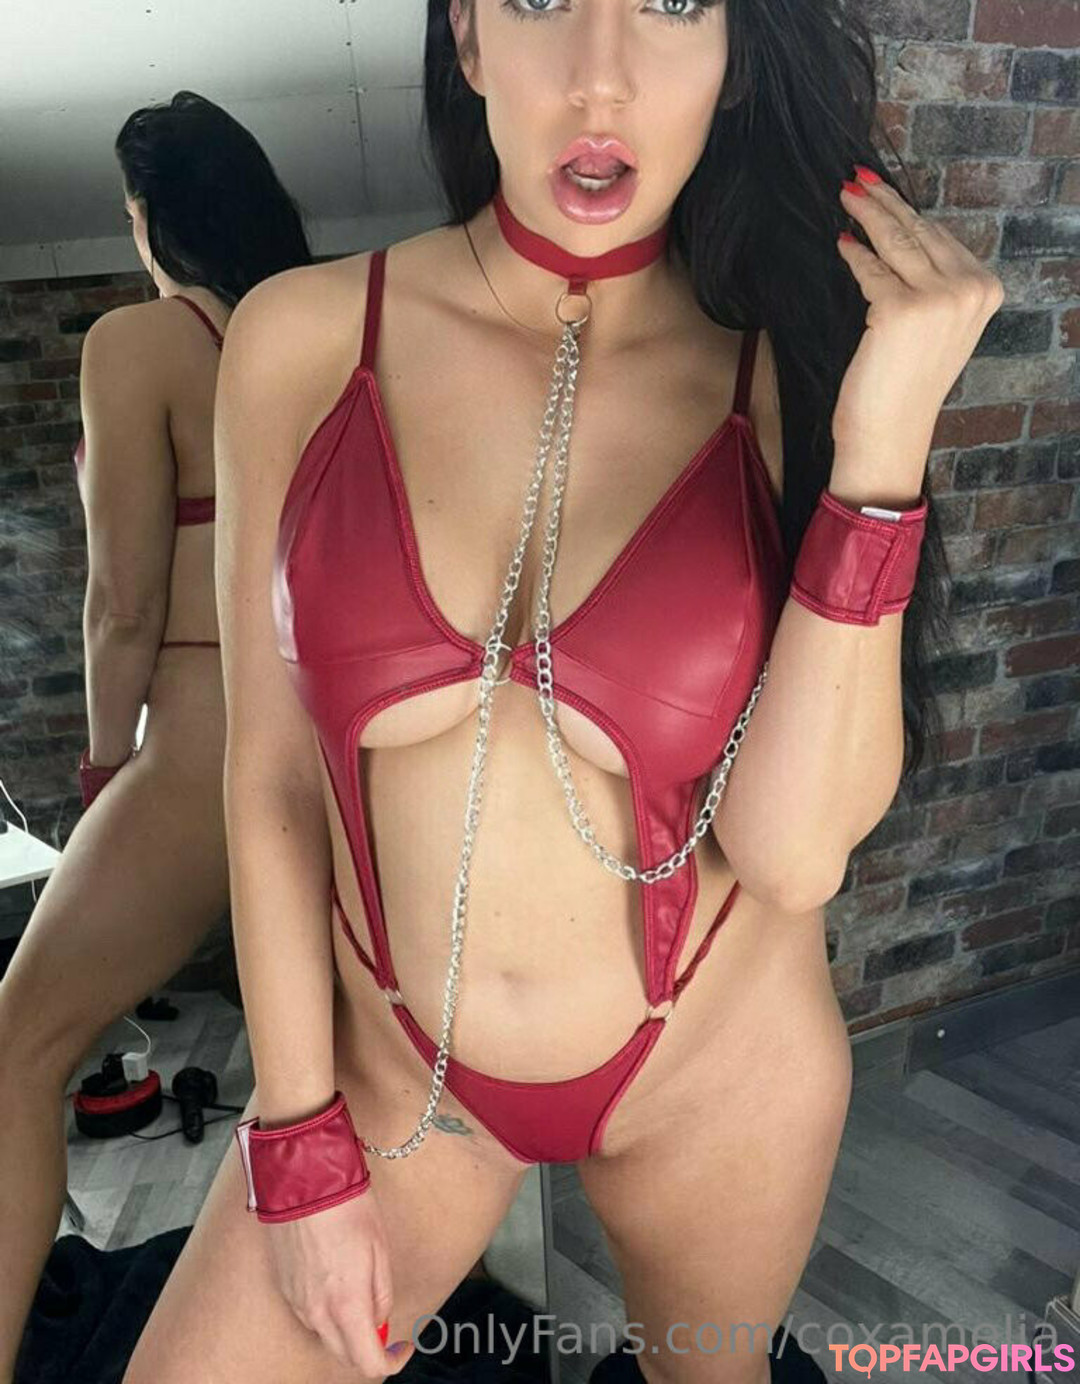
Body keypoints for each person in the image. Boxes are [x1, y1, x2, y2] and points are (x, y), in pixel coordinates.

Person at [121, 4, 1003, 1383]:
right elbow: (274, 773)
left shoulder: (795, 361)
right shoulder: (301, 338)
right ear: (468, 39)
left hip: (719, 1074)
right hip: (397, 1076)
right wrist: (295, 1140)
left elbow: (788, 854)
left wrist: (883, 444)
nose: (603, 77)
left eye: (671, 2)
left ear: (734, 54)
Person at [0, 91, 312, 1382]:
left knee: (17, 1050)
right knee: (327, 1076)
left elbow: (122, 601)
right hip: (321, 750)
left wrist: (99, 767)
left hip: (197, 744)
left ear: (147, 220)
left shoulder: (138, 343)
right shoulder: (314, 329)